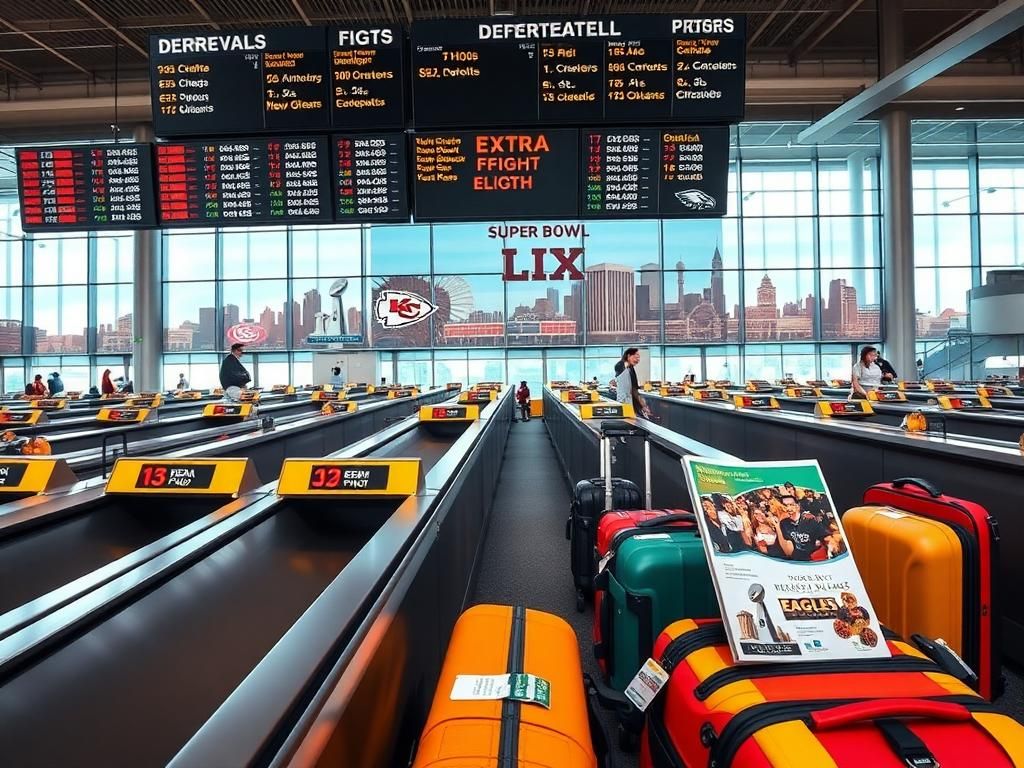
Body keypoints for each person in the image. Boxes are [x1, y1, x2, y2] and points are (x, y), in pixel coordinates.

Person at [775, 495, 834, 561]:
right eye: (785, 505)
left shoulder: (810, 520)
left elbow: (826, 538)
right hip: (798, 560)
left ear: (797, 505)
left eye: (791, 505)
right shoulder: (784, 523)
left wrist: (829, 550)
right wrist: (777, 526)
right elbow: (789, 551)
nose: (788, 508)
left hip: (814, 558)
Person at [614, 347, 650, 418]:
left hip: (631, 402)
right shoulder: (621, 365)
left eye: (638, 358)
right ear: (628, 356)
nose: (637, 360)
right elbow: (619, 368)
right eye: (635, 357)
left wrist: (644, 405)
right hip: (623, 402)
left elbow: (634, 390)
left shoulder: (631, 370)